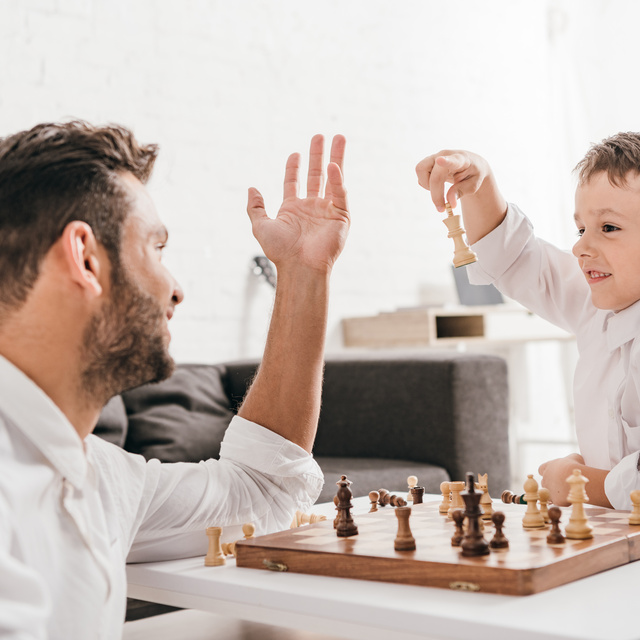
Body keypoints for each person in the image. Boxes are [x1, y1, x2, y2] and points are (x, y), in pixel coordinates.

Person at [0, 121, 349, 638]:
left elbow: (265, 488)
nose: (176, 289)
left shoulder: (100, 476)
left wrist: (302, 273)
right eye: (156, 248)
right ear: (86, 258)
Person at [416, 133, 640, 512]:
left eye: (609, 228)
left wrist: (586, 487)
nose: (581, 247)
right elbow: (517, 258)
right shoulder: (599, 305)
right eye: (581, 229)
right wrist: (479, 182)